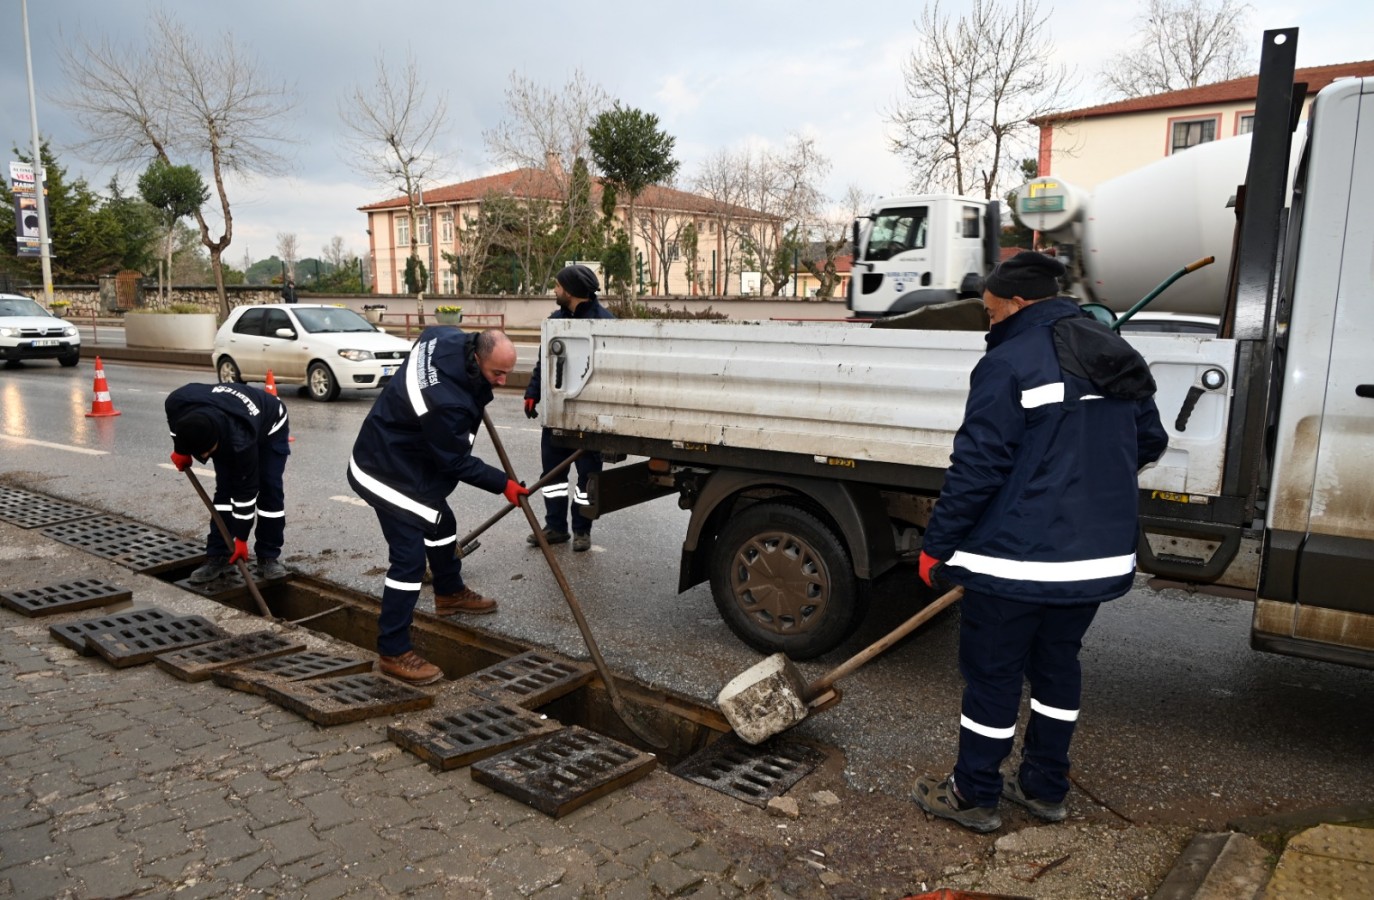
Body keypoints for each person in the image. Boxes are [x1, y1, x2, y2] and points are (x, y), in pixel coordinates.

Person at [912, 251, 1168, 833]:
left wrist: (939, 544)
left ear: (1019, 303)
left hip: (1019, 561)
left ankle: (974, 793)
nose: (987, 314)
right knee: (1057, 669)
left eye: (991, 305)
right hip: (1091, 560)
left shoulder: (1010, 361)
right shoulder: (1112, 350)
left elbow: (977, 466)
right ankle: (1044, 786)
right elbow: (1148, 441)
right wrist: (1084, 476)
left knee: (994, 675)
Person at [347, 327, 529, 685]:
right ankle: (393, 651)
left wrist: (479, 387)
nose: (504, 382)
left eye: (508, 372)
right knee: (409, 561)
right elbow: (455, 463)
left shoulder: (445, 338)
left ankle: (449, 592)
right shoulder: (446, 402)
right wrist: (503, 485)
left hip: (408, 454)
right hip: (383, 468)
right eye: (497, 374)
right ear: (476, 360)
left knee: (442, 523)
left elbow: (426, 336)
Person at [522, 264, 615, 552]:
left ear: (571, 291)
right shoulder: (554, 322)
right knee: (552, 477)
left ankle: (582, 530)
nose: (555, 290)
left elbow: (613, 375)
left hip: (588, 420)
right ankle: (556, 528)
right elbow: (544, 363)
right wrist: (532, 392)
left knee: (587, 479)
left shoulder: (605, 324)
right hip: (556, 415)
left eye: (559, 286)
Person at [165, 382, 291, 583]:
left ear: (218, 439)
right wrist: (181, 449)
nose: (205, 456)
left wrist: (240, 539)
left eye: (208, 452)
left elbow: (246, 493)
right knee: (224, 490)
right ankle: (219, 554)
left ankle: (268, 556)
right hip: (226, 412)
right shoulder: (178, 402)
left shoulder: (240, 442)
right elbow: (176, 428)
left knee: (269, 488)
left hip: (270, 423)